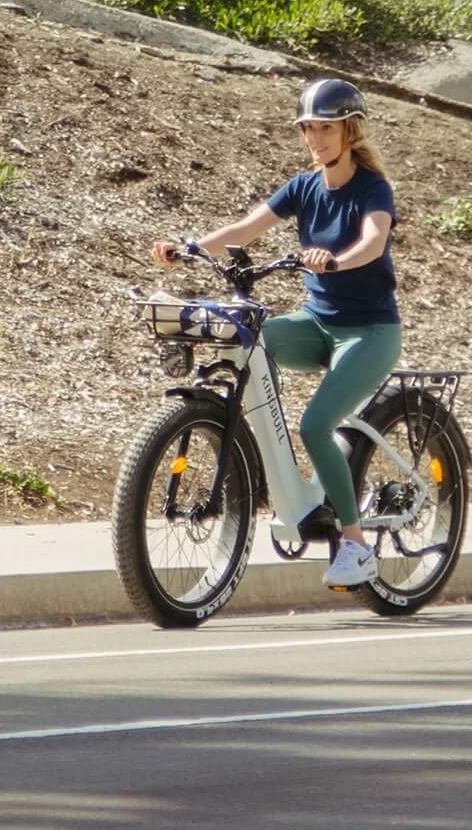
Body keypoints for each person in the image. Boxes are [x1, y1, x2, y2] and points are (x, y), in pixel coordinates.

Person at [153, 79, 401, 588]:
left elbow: (374, 242)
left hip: (370, 331)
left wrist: (336, 260)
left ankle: (355, 546)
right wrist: (189, 248)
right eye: (309, 129)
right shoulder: (304, 187)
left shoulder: (372, 188)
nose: (315, 138)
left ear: (350, 131)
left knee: (315, 425)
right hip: (317, 323)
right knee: (250, 340)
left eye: (325, 128)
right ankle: (281, 480)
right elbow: (244, 231)